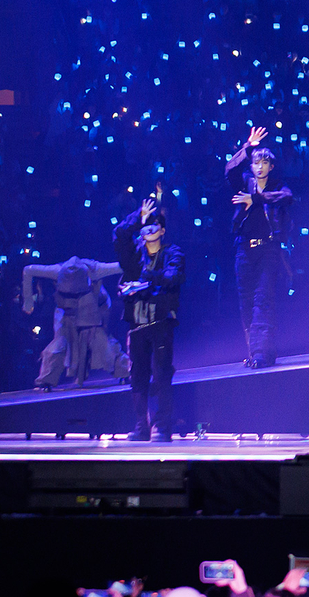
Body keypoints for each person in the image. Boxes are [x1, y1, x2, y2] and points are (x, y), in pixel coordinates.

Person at [113, 185, 186, 443]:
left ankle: (161, 426)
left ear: (163, 231)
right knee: (138, 377)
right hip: (137, 323)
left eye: (154, 226)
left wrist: (146, 280)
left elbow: (174, 275)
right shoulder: (135, 255)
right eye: (146, 227)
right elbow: (120, 235)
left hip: (160, 322)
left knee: (163, 373)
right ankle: (141, 426)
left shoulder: (172, 251)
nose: (149, 230)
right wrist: (137, 217)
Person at [225, 124, 294, 368]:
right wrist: (247, 147)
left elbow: (286, 197)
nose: (260, 166)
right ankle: (257, 351)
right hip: (244, 249)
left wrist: (256, 198)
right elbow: (229, 170)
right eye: (256, 162)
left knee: (263, 300)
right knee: (246, 302)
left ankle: (261, 353)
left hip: (268, 250)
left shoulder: (276, 186)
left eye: (264, 162)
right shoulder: (244, 182)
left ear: (270, 166)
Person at [22, 254, 130, 389]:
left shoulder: (95, 270)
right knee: (60, 342)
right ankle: (46, 379)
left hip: (93, 307)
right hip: (66, 310)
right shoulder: (56, 271)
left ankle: (124, 370)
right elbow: (28, 270)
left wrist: (127, 288)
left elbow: (126, 266)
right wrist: (28, 300)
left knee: (102, 341)